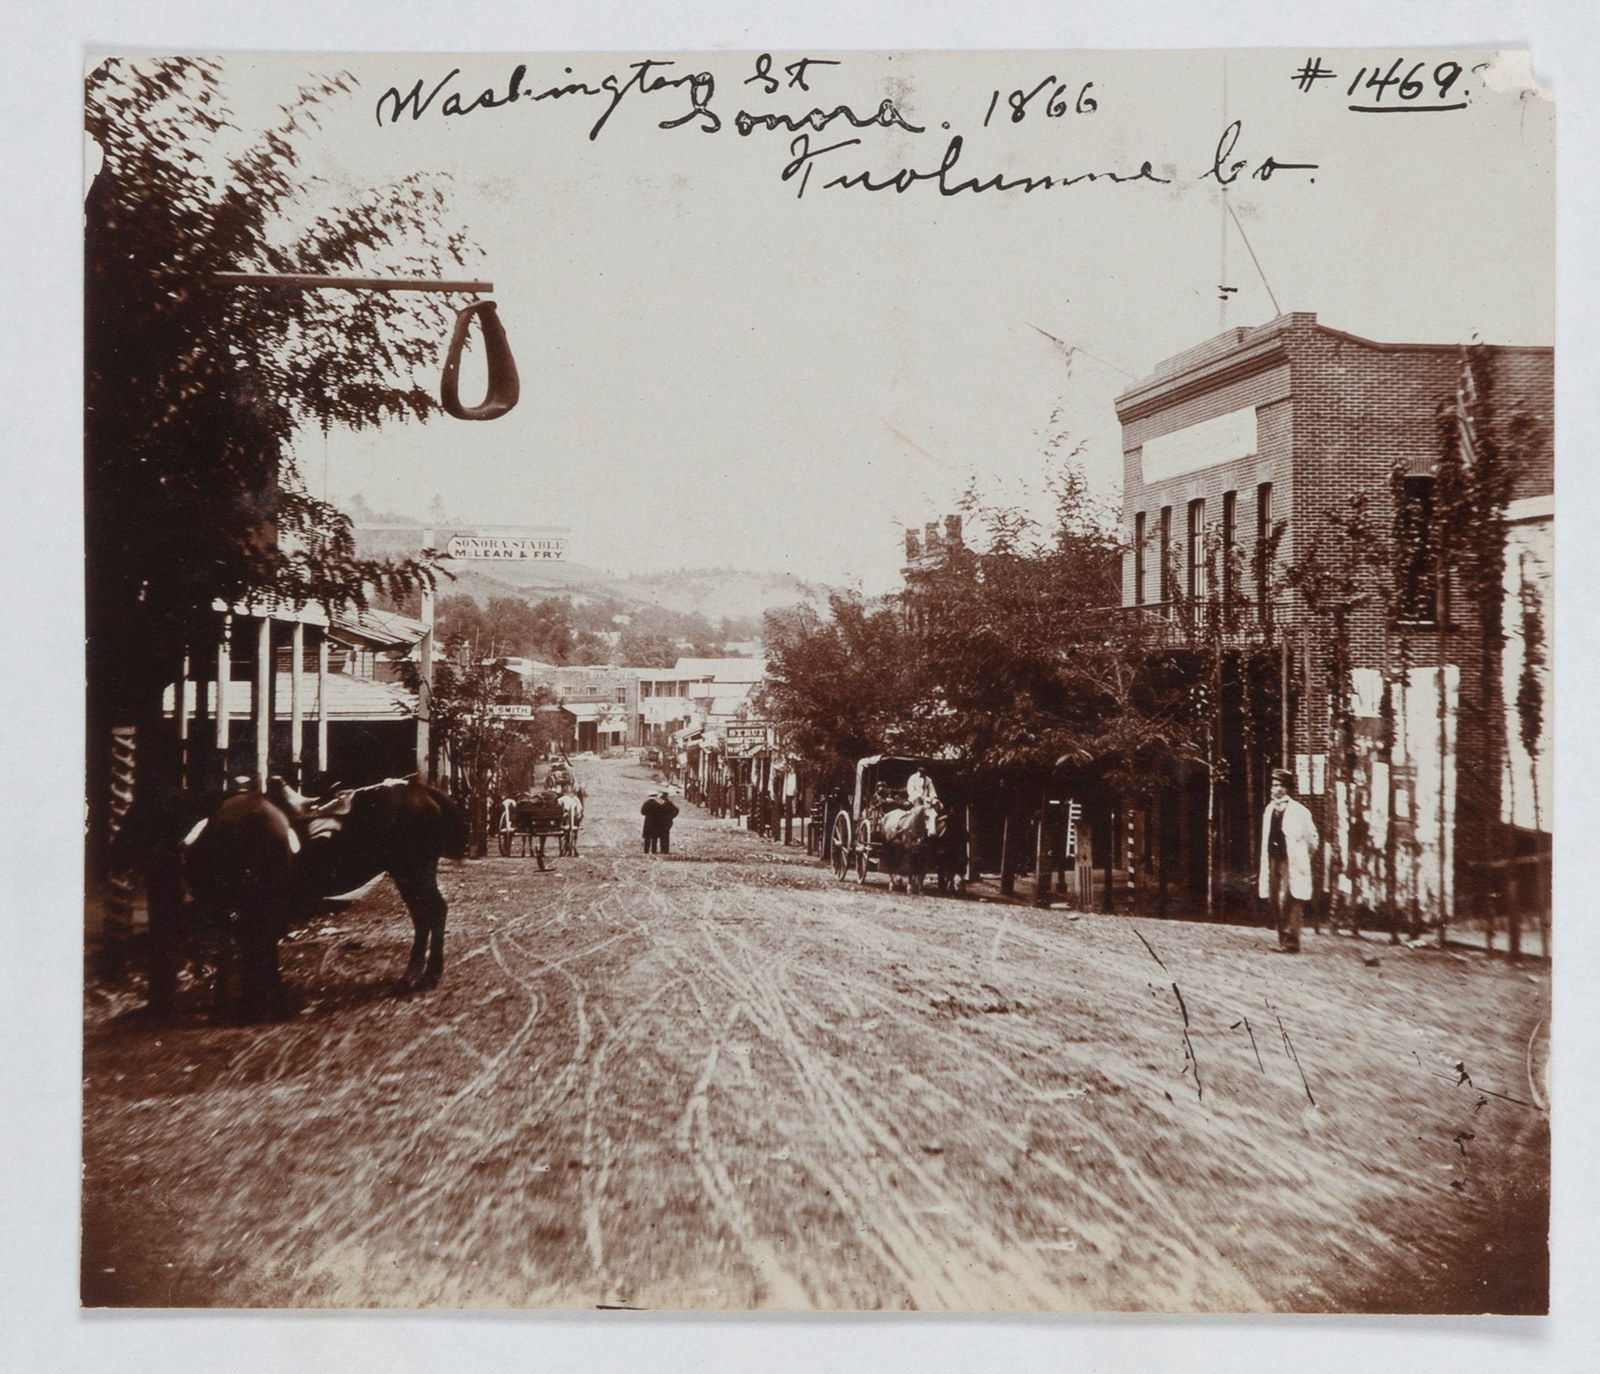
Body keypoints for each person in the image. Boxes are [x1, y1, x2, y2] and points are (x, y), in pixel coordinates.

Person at [1259, 768, 1319, 953]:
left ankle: (1292, 942)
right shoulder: (1269, 810)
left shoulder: (1300, 812)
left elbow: (1313, 839)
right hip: (1273, 859)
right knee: (1274, 898)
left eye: (1279, 786)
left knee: (1290, 898)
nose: (1275, 789)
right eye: (1273, 786)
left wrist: (1302, 856)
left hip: (1290, 861)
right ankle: (1282, 939)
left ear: (1286, 788)